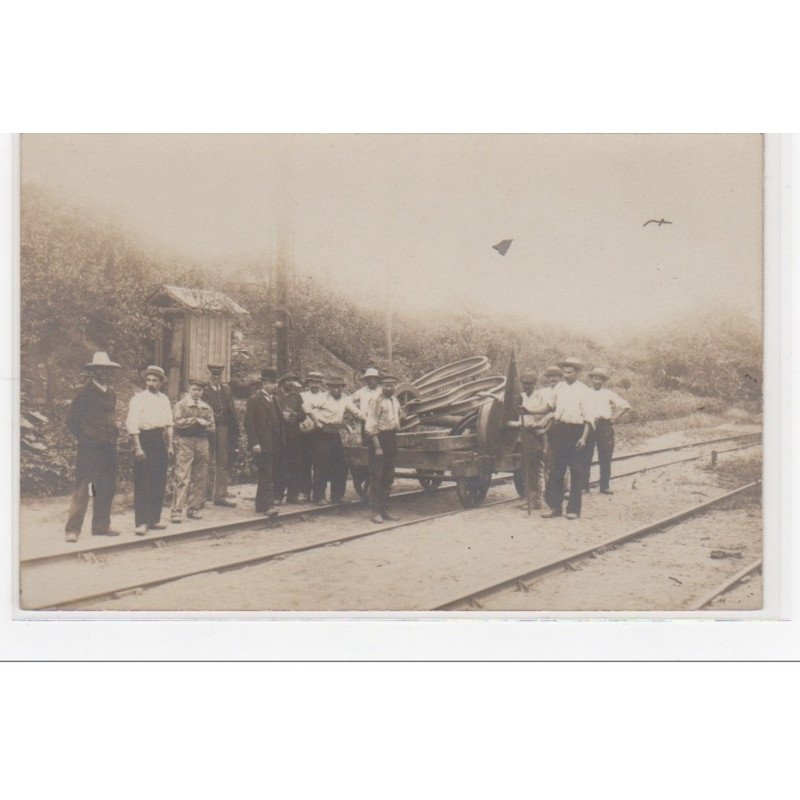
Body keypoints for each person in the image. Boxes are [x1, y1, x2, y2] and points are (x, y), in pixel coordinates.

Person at [63, 351, 122, 542]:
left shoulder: (111, 393)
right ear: (93, 371)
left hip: (108, 447)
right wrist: (86, 437)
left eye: (107, 370)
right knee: (84, 487)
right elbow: (71, 420)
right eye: (100, 369)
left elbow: (110, 418)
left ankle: (101, 526)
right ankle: (72, 530)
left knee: (106, 486)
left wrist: (113, 433)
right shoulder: (84, 392)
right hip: (89, 448)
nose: (105, 372)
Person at [542, 357, 593, 520]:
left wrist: (583, 438)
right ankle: (555, 507)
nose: (566, 375)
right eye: (564, 372)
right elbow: (548, 406)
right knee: (556, 470)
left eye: (570, 372)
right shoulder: (559, 387)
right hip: (559, 430)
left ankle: (573, 509)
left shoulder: (584, 390)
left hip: (576, 431)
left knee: (576, 471)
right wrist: (528, 408)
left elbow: (589, 417)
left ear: (577, 373)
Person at [126, 365, 174, 536]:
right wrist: (137, 447)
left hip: (159, 440)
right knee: (143, 482)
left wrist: (170, 446)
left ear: (161, 382)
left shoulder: (164, 399)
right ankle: (142, 522)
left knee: (158, 481)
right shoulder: (138, 399)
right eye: (148, 380)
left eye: (155, 380)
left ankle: (154, 519)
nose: (151, 383)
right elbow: (132, 424)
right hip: (144, 439)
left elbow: (169, 424)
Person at [303, 375, 363, 505]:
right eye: (333, 387)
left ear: (342, 387)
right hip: (321, 433)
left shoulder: (345, 398)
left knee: (341, 465)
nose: (336, 390)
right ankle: (319, 497)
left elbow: (357, 412)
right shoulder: (323, 398)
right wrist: (316, 421)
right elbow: (306, 406)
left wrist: (369, 420)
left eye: (339, 387)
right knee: (321, 464)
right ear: (329, 388)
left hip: (334, 433)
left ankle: (337, 496)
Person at [171, 378, 215, 523]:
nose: (196, 392)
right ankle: (176, 511)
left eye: (199, 390)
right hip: (185, 441)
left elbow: (212, 427)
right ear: (189, 390)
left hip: (202, 441)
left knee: (200, 475)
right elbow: (177, 422)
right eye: (194, 389)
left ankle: (193, 508)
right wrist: (195, 420)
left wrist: (204, 425)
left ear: (202, 392)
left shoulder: (206, 407)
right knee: (183, 475)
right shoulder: (181, 405)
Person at [583, 367, 631, 494]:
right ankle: (584, 486)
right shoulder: (585, 392)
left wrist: (614, 418)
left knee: (605, 457)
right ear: (591, 379)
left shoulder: (608, 393)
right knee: (585, 456)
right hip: (588, 425)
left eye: (600, 379)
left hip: (604, 426)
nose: (597, 381)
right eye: (595, 378)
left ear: (603, 381)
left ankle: (604, 486)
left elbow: (625, 405)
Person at [244, 367, 283, 517]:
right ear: (264, 383)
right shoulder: (254, 400)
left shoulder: (274, 400)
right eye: (272, 383)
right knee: (266, 473)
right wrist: (254, 443)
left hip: (274, 443)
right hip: (262, 443)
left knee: (269, 473)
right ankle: (268, 505)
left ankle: (261, 504)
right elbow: (249, 423)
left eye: (276, 382)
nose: (275, 385)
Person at [364, 374, 402, 524]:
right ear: (382, 386)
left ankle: (384, 509)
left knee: (388, 476)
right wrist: (377, 446)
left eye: (392, 385)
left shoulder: (395, 400)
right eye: (386, 385)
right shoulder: (376, 401)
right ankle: (375, 511)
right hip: (378, 438)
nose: (389, 388)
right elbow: (370, 426)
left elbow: (395, 419)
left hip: (391, 437)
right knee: (377, 476)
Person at [202, 364, 240, 507]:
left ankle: (220, 496)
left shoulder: (226, 390)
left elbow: (232, 411)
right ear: (209, 375)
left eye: (218, 375)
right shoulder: (203, 390)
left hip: (224, 430)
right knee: (205, 462)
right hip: (208, 430)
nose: (216, 377)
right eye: (213, 374)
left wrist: (234, 431)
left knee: (223, 462)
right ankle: (201, 498)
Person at [517, 369, 550, 511]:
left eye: (529, 384)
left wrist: (544, 428)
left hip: (536, 433)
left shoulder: (541, 397)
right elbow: (504, 400)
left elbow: (546, 413)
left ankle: (537, 500)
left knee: (535, 467)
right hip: (524, 433)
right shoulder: (521, 397)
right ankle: (529, 499)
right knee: (526, 467)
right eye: (524, 384)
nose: (526, 386)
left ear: (535, 384)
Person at [274, 372, 306, 504]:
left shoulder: (297, 397)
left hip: (294, 436)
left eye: (292, 380)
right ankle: (277, 495)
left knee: (295, 465)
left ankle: (293, 495)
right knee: (280, 465)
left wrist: (294, 414)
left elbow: (303, 416)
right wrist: (282, 416)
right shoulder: (275, 397)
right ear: (282, 382)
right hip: (280, 436)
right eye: (288, 380)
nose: (290, 383)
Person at [298, 370, 326, 501]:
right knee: (304, 462)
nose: (314, 385)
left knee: (320, 464)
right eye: (312, 382)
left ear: (321, 384)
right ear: (308, 383)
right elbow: (298, 412)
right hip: (304, 433)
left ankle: (319, 495)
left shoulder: (326, 397)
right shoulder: (301, 396)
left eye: (317, 382)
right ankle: (305, 492)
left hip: (320, 433)